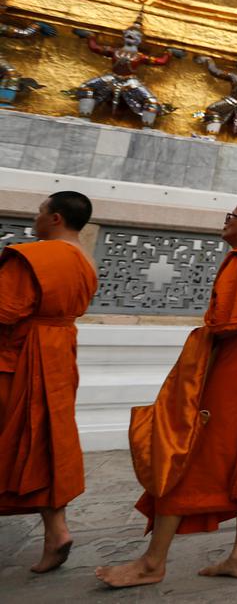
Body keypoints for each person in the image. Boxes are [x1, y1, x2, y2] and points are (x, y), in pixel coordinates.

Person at [96, 201, 237, 588]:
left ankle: (153, 562)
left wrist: (206, 335)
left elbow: (228, 320)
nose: (225, 222)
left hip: (235, 367)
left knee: (189, 449)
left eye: (230, 217)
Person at [0, 191, 98, 573]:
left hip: (18, 360)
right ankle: (56, 531)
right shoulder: (86, 262)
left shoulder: (33, 257)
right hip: (59, 358)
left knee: (19, 442)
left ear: (56, 218)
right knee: (46, 443)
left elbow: (5, 310)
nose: (35, 218)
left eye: (40, 211)